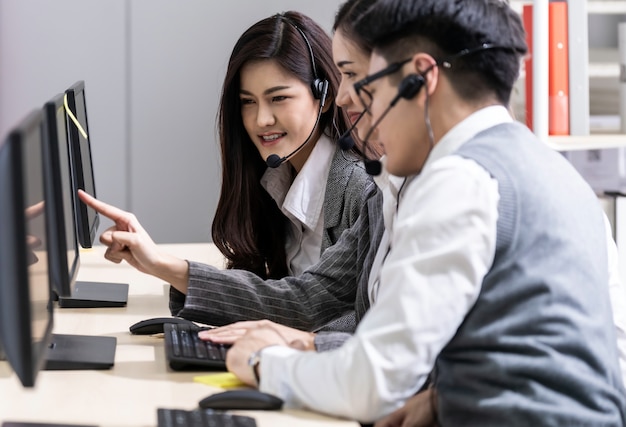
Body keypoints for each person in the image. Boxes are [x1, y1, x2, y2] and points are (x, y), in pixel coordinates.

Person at [218, 0, 626, 425]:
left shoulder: (460, 180)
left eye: (371, 88)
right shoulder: (556, 171)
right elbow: (598, 360)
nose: (356, 106)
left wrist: (265, 363)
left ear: (420, 78)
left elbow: (371, 383)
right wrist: (442, 398)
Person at [210, 11, 374, 280]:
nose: (262, 120)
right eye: (248, 102)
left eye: (278, 98)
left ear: (326, 96)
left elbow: (341, 313)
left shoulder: (360, 188)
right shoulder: (272, 178)